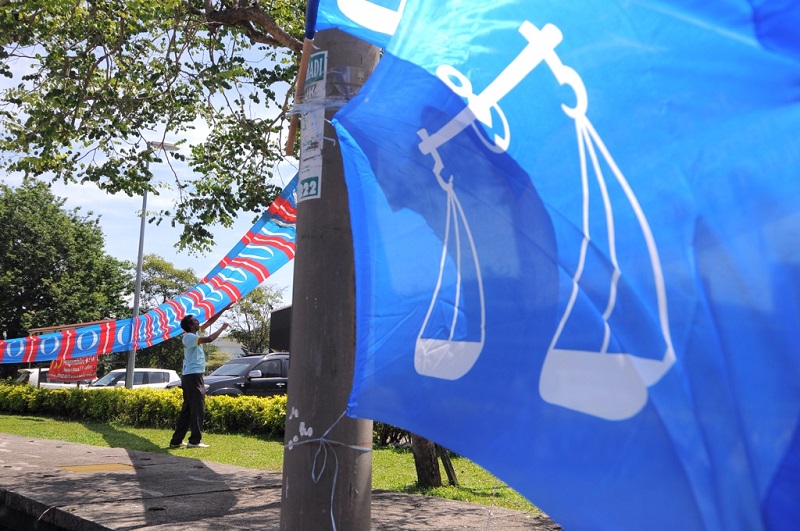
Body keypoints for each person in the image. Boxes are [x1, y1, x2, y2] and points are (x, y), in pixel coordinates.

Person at [169, 305, 230, 449]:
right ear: (190, 325)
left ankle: (176, 441)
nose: (198, 322)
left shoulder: (194, 334)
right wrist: (222, 329)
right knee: (198, 407)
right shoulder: (189, 337)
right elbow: (209, 339)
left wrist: (224, 308)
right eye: (196, 321)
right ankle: (194, 441)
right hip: (192, 376)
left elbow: (210, 321)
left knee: (188, 409)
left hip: (191, 376)